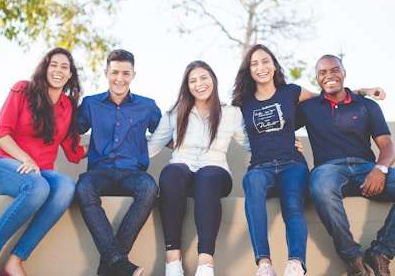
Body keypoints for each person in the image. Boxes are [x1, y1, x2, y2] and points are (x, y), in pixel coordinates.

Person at [231, 44, 384, 276]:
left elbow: (328, 96)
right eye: (254, 63)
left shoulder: (292, 92)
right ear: (248, 70)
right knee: (252, 185)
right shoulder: (243, 102)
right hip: (261, 167)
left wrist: (361, 91)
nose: (260, 67)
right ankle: (264, 264)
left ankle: (296, 264)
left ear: (274, 65)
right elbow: (235, 131)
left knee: (293, 203)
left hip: (292, 164)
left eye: (265, 61)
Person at [147, 60, 251, 276]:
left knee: (207, 176)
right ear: (187, 86)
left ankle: (205, 264)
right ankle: (173, 262)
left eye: (203, 78)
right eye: (192, 80)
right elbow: (151, 147)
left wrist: (285, 146)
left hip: (216, 172)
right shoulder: (175, 113)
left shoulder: (232, 113)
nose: (199, 84)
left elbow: (252, 144)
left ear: (213, 79)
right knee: (172, 172)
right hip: (182, 171)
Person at [297, 54, 395, 276]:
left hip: (366, 169)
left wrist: (380, 169)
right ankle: (352, 258)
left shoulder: (367, 106)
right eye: (322, 72)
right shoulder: (309, 108)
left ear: (344, 73)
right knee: (320, 187)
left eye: (334, 70)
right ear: (317, 79)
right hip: (328, 171)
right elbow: (279, 111)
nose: (329, 75)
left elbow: (387, 145)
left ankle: (381, 252)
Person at [0, 47, 87, 276]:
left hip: (39, 172)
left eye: (64, 67)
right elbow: (1, 133)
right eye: (53, 64)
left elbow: (73, 152)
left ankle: (14, 261)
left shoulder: (67, 107)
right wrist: (26, 159)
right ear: (45, 68)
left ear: (70, 75)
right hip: (6, 163)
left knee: (66, 186)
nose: (58, 70)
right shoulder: (22, 90)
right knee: (37, 187)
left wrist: (111, 146)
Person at [75, 49, 161, 276]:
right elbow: (69, 131)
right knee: (83, 187)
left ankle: (111, 263)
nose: (119, 78)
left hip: (133, 174)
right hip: (99, 172)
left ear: (134, 75)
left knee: (149, 188)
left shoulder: (148, 106)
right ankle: (118, 262)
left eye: (125, 73)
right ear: (106, 73)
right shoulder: (91, 104)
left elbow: (167, 134)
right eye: (114, 72)